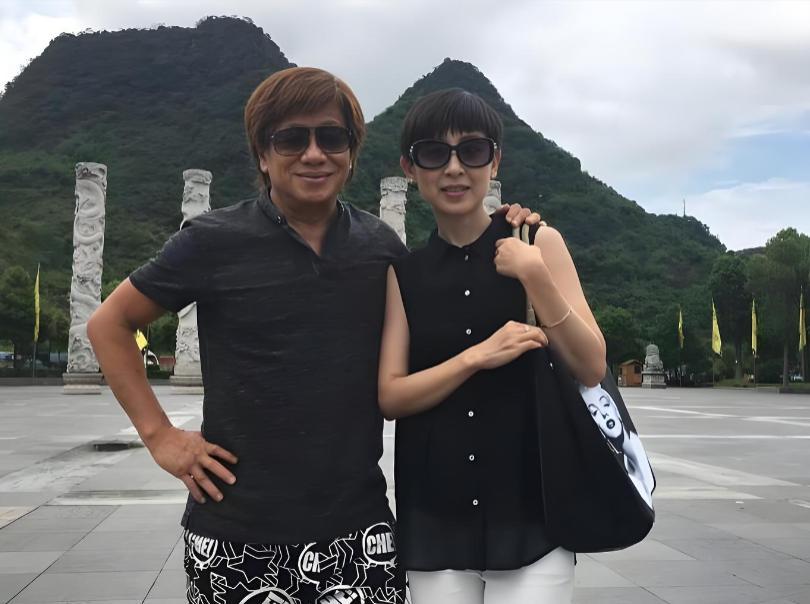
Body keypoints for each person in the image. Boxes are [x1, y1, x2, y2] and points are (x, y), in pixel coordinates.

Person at [87, 68, 537, 604]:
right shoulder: (212, 241)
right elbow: (110, 324)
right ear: (262, 154)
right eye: (291, 139)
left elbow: (442, 325)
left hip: (358, 535)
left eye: (331, 137)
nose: (314, 154)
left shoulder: (380, 247)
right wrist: (160, 436)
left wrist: (507, 226)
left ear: (351, 152)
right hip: (235, 534)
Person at [377, 88, 607, 603]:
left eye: (472, 150)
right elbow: (391, 396)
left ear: (495, 160)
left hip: (532, 513)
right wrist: (475, 357)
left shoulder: (537, 242)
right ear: (410, 169)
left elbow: (591, 365)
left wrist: (535, 277)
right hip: (435, 513)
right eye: (434, 153)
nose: (454, 168)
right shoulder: (405, 274)